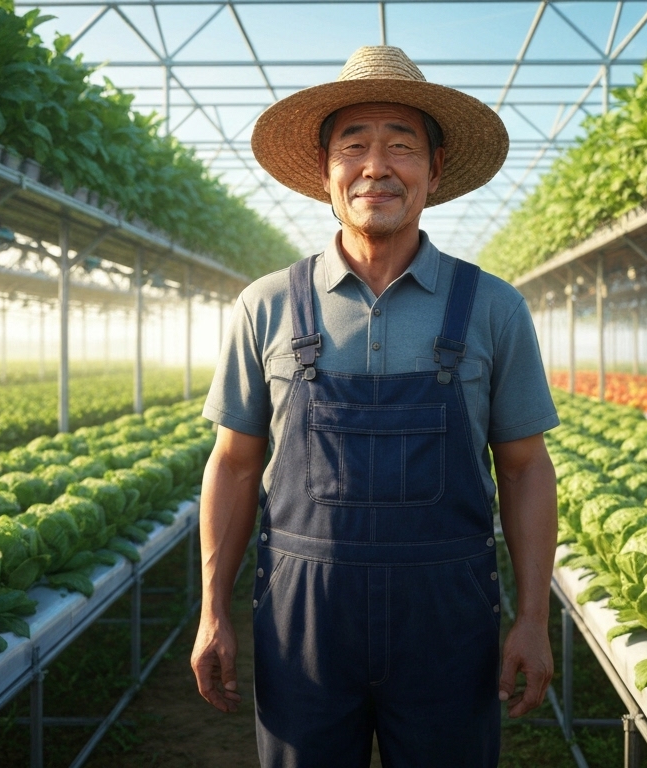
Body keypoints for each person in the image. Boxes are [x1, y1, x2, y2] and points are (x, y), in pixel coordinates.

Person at [189, 45, 560, 767]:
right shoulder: (266, 306)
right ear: (325, 171)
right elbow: (234, 466)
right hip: (303, 622)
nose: (376, 165)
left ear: (436, 168)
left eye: (401, 144)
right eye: (353, 145)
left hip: (448, 620)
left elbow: (524, 469)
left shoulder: (491, 307)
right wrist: (211, 612)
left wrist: (535, 618)